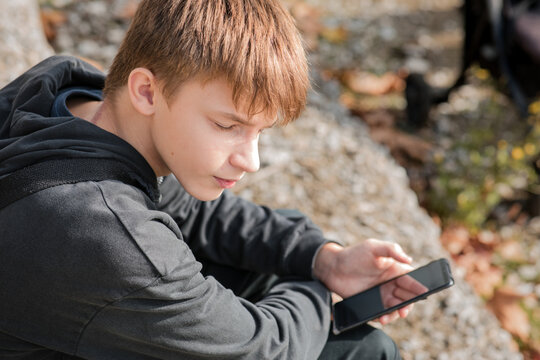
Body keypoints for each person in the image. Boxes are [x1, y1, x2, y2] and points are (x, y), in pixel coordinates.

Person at [0, 0, 417, 358]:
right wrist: (319, 292)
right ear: (146, 91)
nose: (251, 160)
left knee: (265, 263)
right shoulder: (101, 229)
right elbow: (262, 350)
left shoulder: (63, 94)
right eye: (226, 125)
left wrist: (324, 258)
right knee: (362, 351)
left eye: (259, 132)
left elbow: (193, 212)